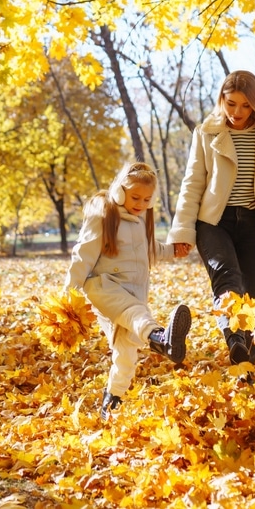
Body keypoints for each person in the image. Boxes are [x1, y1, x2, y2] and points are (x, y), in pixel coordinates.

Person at [168, 70, 255, 367]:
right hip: (214, 223)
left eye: (245, 105)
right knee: (227, 277)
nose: (237, 112)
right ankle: (233, 339)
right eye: (230, 103)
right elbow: (192, 184)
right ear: (221, 100)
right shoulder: (206, 132)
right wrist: (182, 233)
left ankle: (250, 363)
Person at [65, 162, 192, 420]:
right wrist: (68, 293)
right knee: (135, 313)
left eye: (147, 199)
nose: (141, 203)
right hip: (104, 286)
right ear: (120, 191)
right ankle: (160, 337)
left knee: (126, 355)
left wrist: (172, 250)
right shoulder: (104, 215)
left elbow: (146, 250)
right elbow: (83, 255)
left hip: (133, 291)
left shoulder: (140, 219)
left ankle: (111, 403)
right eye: (135, 197)